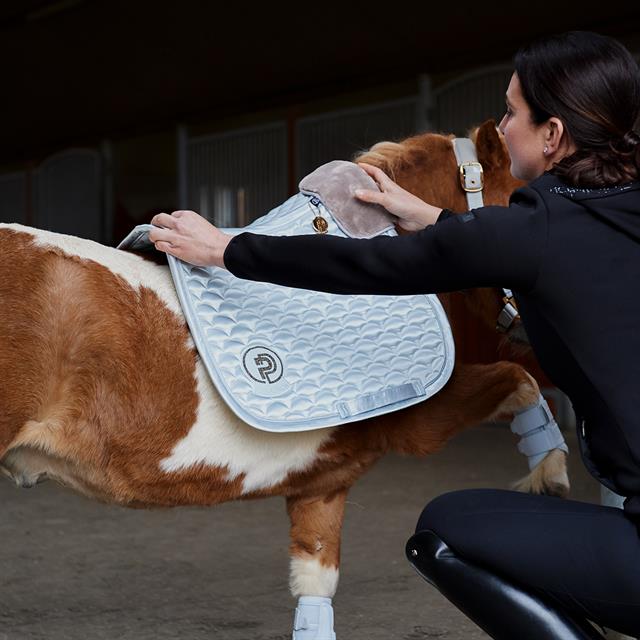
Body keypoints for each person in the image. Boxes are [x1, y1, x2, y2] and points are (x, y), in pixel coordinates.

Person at [149, 31, 640, 639]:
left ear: (553, 135)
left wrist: (228, 248)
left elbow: (369, 268)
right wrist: (426, 216)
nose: (502, 125)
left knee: (443, 532)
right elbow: (507, 247)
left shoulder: (537, 231)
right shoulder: (606, 212)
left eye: (512, 111)